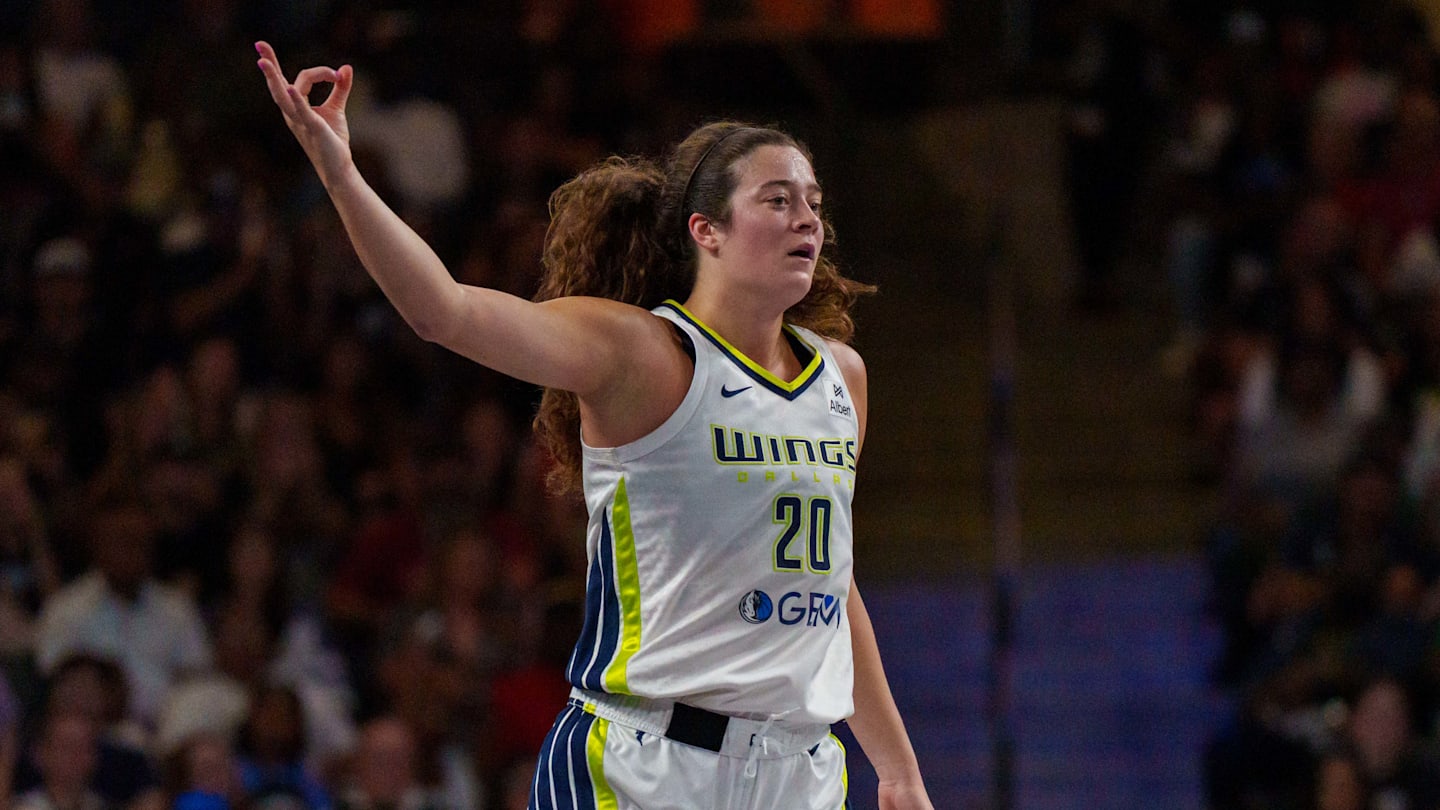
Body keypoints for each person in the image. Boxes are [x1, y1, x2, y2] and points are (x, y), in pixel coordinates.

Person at [255, 40, 933, 809]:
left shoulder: (841, 375)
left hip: (799, 772)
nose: (805, 217)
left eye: (812, 201)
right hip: (645, 765)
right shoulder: (641, 353)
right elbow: (444, 310)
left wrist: (899, 768)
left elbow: (832, 585)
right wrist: (343, 174)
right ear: (705, 231)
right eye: (777, 199)